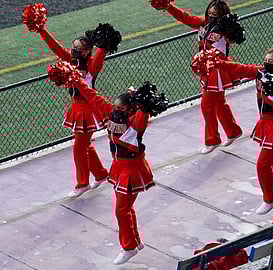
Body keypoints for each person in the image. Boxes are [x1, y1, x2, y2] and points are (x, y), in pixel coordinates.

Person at [48, 62, 168, 264]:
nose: (117, 110)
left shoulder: (135, 122)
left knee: (122, 210)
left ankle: (128, 247)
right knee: (126, 208)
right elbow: (93, 97)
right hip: (119, 166)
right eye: (116, 106)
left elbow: (142, 117)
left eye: (122, 108)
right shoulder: (110, 113)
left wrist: (145, 106)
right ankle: (135, 242)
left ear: (130, 109)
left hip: (133, 168)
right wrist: (78, 81)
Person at [24, 11, 121, 197]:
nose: (74, 50)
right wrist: (42, 30)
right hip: (76, 106)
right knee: (84, 144)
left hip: (88, 108)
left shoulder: (92, 66)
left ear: (87, 51)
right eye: (73, 46)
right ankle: (101, 174)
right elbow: (56, 48)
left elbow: (99, 56)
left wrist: (101, 45)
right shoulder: (70, 60)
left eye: (79, 48)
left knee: (79, 146)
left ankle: (82, 182)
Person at [209, 47, 273, 214]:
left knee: (262, 165)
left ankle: (270, 199)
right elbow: (239, 68)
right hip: (266, 123)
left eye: (271, 62)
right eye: (266, 60)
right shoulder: (260, 73)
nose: (266, 64)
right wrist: (217, 63)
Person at [157, 0, 244, 154]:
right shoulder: (203, 23)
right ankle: (233, 131)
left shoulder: (225, 29)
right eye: (210, 12)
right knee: (218, 103)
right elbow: (185, 17)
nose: (211, 16)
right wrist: (168, 6)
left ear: (222, 15)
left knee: (207, 105)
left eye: (215, 14)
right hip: (207, 69)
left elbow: (236, 38)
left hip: (217, 69)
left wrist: (233, 33)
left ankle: (212, 140)